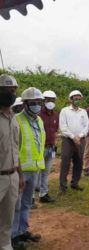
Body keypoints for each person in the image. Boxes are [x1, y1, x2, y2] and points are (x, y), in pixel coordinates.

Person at [12, 87, 46, 249]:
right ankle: (13, 235)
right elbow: (13, 149)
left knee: (26, 202)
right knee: (16, 204)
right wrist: (17, 174)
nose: (37, 105)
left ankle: (22, 230)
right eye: (33, 103)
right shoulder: (16, 120)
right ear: (25, 104)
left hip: (35, 169)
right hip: (20, 171)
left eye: (39, 102)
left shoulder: (39, 120)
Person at [0, 75, 24, 250]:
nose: (11, 93)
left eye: (13, 90)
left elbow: (16, 149)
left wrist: (20, 175)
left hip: (13, 175)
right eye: (7, 90)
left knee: (8, 217)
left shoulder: (14, 118)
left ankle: (6, 245)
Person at [59, 90, 89, 194]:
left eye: (79, 99)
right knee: (65, 162)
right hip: (68, 140)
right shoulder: (64, 111)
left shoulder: (83, 112)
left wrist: (79, 136)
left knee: (79, 162)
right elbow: (63, 127)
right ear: (71, 99)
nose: (77, 101)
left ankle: (75, 183)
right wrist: (72, 136)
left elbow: (86, 126)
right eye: (75, 99)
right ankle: (62, 186)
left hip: (80, 140)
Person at [36, 90, 59, 203]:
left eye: (52, 100)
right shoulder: (38, 114)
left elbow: (55, 130)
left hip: (51, 148)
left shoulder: (56, 115)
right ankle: (31, 197)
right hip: (40, 148)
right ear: (43, 101)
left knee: (45, 172)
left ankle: (43, 194)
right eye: (48, 100)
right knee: (36, 172)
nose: (50, 102)